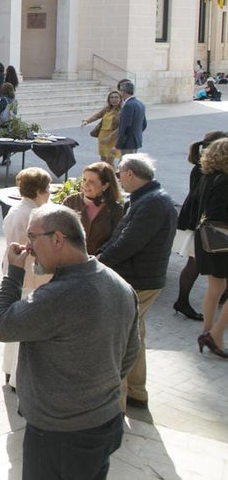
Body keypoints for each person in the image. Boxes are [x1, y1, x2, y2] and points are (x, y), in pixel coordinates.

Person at [0, 204, 139, 480]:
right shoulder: (120, 284)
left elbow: (0, 326)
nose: (28, 247)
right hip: (104, 422)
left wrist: (13, 274)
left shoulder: (57, 298)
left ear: (58, 239)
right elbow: (129, 354)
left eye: (32, 237)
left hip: (60, 435)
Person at [98, 153, 176, 408]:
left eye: (119, 173)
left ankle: (117, 402)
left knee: (121, 337)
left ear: (131, 174)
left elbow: (129, 242)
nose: (118, 178)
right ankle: (136, 392)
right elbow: (122, 235)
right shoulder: (146, 198)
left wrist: (98, 262)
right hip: (138, 276)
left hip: (140, 279)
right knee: (135, 335)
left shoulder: (153, 202)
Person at [0, 168, 52, 385]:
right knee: (25, 329)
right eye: (47, 189)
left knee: (15, 328)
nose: (49, 193)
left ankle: (10, 371)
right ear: (38, 190)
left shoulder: (16, 209)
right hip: (29, 276)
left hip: (15, 273)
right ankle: (18, 376)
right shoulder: (33, 214)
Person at [172, 131, 228, 322]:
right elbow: (199, 198)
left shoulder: (205, 166)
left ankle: (217, 297)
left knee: (196, 263)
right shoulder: (205, 169)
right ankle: (182, 301)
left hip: (198, 221)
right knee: (194, 263)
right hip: (198, 222)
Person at [194, 138, 228, 357]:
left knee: (215, 287)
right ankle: (216, 334)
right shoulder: (225, 180)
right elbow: (218, 213)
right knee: (217, 287)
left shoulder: (206, 177)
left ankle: (208, 332)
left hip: (207, 238)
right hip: (221, 239)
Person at [62, 162, 124, 255]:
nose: (85, 185)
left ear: (105, 186)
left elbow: (116, 241)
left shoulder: (116, 210)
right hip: (71, 260)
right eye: (84, 180)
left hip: (100, 263)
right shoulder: (70, 202)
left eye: (91, 182)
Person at [81, 90, 123, 166]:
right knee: (103, 160)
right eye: (111, 97)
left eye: (116, 97)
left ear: (120, 99)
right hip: (102, 135)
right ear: (109, 99)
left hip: (113, 137)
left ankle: (111, 177)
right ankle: (104, 176)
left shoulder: (123, 110)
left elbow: (121, 127)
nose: (114, 99)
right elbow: (97, 116)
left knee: (109, 161)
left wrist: (109, 138)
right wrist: (87, 121)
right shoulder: (107, 109)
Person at [115, 80, 146, 154]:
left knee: (126, 164)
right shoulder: (140, 103)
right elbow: (144, 124)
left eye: (120, 91)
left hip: (128, 143)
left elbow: (124, 126)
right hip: (135, 141)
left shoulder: (128, 105)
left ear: (123, 91)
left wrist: (118, 145)